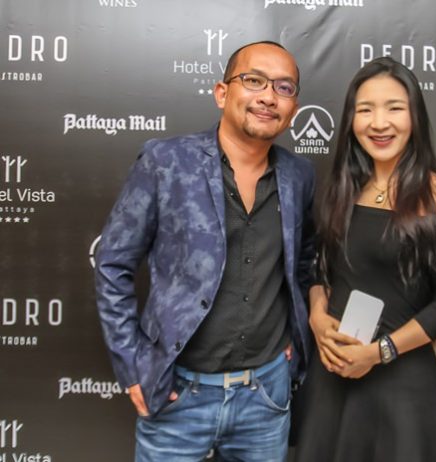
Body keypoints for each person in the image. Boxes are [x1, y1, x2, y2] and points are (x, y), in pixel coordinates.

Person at [94, 41, 315, 462]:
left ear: (293, 108)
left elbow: (302, 264)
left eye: (283, 87)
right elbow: (112, 263)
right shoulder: (165, 162)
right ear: (222, 92)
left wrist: (294, 336)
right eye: (254, 81)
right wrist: (132, 365)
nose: (269, 96)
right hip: (177, 396)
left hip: (266, 396)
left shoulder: (299, 175)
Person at [294, 57, 436, 462]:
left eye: (394, 108)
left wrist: (379, 352)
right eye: (365, 110)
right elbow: (319, 269)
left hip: (403, 385)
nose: (379, 123)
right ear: (351, 119)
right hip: (333, 377)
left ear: (415, 116)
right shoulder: (340, 189)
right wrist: (318, 317)